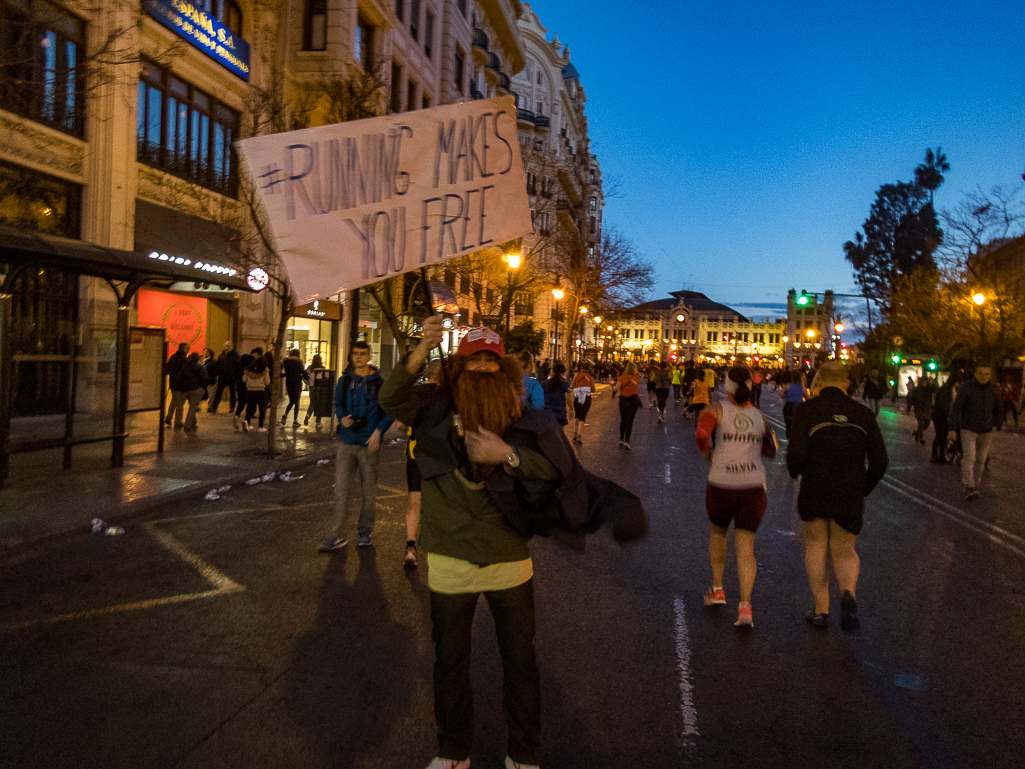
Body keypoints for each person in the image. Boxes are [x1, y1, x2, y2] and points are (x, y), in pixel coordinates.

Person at [379, 321, 553, 769]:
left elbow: (553, 470)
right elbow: (391, 399)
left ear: (505, 369)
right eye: (473, 360)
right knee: (450, 662)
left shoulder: (522, 417)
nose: (481, 367)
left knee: (521, 663)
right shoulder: (434, 408)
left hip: (509, 558)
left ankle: (524, 754)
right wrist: (421, 348)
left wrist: (508, 456)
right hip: (451, 559)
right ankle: (453, 751)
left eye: (489, 361)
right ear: (458, 367)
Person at [787, 362, 888, 631]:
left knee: (816, 545)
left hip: (816, 487)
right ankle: (848, 593)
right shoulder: (863, 414)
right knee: (845, 550)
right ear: (846, 383)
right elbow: (880, 460)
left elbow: (796, 455)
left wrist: (795, 471)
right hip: (849, 490)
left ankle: (821, 609)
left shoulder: (808, 410)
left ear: (818, 380)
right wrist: (863, 487)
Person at [695, 366, 778, 629]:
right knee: (746, 548)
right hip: (752, 486)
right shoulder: (760, 416)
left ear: (727, 386)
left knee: (718, 534)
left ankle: (718, 588)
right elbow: (771, 450)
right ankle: (745, 607)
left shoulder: (716, 409)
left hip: (722, 483)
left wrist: (707, 452)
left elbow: (701, 434)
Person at [318, 340, 395, 550]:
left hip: (370, 444)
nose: (358, 357)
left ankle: (364, 532)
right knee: (340, 491)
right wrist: (342, 418)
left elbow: (391, 410)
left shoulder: (380, 383)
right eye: (355, 354)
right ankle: (336, 535)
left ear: (369, 356)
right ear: (351, 357)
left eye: (362, 353)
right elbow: (339, 404)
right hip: (346, 443)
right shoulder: (344, 381)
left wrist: (379, 431)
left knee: (369, 493)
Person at [402, 358, 442, 568]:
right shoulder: (448, 395)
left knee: (414, 502)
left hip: (415, 454)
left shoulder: (416, 393)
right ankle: (439, 551)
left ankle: (410, 548)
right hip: (440, 456)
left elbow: (400, 423)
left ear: (427, 373)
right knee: (439, 502)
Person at [949, 363, 1002, 502]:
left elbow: (998, 408)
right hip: (969, 428)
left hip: (987, 429)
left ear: (990, 375)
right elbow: (956, 408)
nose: (983, 376)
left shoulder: (994, 389)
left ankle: (975, 485)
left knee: (981, 459)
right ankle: (969, 486)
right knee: (969, 457)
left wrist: (998, 424)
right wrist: (952, 429)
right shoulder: (967, 387)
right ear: (975, 374)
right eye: (980, 373)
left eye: (986, 374)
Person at [613, 362, 642, 449]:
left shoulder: (621, 378)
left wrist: (613, 387)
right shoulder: (637, 377)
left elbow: (617, 389)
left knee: (623, 419)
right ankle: (627, 440)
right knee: (630, 420)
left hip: (624, 399)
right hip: (634, 400)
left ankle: (621, 438)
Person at [241, 354, 271, 432]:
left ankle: (247, 421)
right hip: (261, 391)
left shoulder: (248, 370)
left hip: (250, 391)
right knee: (262, 409)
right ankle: (261, 426)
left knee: (250, 408)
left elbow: (244, 380)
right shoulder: (265, 370)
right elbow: (267, 382)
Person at [233, 347, 260, 429]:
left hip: (240, 386)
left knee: (241, 402)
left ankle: (237, 415)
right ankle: (247, 421)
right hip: (250, 387)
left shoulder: (239, 366)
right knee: (251, 405)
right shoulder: (251, 367)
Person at [930, 375, 956, 463]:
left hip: (939, 415)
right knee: (941, 435)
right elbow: (944, 405)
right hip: (940, 416)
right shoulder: (947, 390)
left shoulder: (945, 388)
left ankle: (939, 455)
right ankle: (938, 455)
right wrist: (949, 415)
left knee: (941, 436)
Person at [569, 361, 595, 444]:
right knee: (583, 416)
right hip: (586, 397)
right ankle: (580, 435)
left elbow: (572, 385)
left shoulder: (577, 374)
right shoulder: (590, 376)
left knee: (577, 415)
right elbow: (593, 389)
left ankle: (575, 433)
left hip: (577, 395)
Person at [165, 342, 190, 428]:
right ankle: (178, 421)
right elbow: (186, 373)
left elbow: (167, 370)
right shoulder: (184, 359)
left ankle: (168, 417)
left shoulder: (172, 357)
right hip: (181, 385)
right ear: (184, 349)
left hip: (173, 384)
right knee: (180, 403)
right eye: (188, 348)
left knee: (174, 401)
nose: (189, 349)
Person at [209, 341, 239, 413]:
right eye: (226, 346)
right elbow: (218, 365)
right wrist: (216, 374)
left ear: (232, 346)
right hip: (222, 376)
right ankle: (214, 406)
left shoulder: (235, 356)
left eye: (229, 346)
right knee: (218, 392)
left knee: (232, 393)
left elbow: (238, 367)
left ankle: (232, 407)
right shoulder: (222, 355)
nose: (227, 348)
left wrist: (235, 375)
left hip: (231, 377)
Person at [280, 348, 306, 428]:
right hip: (297, 384)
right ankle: (295, 421)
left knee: (292, 401)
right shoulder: (299, 362)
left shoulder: (286, 362)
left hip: (289, 383)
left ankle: (285, 414)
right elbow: (302, 372)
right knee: (297, 402)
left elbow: (283, 374)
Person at [909, 374, 937, 445]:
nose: (924, 383)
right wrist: (909, 408)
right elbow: (912, 398)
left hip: (927, 409)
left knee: (927, 423)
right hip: (919, 408)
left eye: (925, 382)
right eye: (923, 382)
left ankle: (917, 432)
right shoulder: (917, 389)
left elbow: (935, 389)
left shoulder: (929, 389)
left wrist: (932, 383)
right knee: (921, 423)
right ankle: (921, 438)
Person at [542, 361, 570, 427]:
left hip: (547, 413)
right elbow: (567, 398)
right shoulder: (565, 384)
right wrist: (571, 408)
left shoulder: (544, 383)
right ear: (562, 373)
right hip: (560, 413)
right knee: (560, 435)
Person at [782, 371, 808, 439]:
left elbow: (781, 394)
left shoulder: (788, 385)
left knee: (788, 424)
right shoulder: (803, 387)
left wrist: (786, 395)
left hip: (789, 406)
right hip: (799, 406)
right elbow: (807, 397)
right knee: (798, 425)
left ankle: (789, 439)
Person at [303, 354, 325, 428]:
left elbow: (304, 375)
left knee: (312, 403)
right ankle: (318, 422)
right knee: (319, 404)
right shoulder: (322, 368)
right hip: (320, 388)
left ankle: (308, 415)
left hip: (312, 387)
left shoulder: (310, 368)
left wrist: (307, 382)